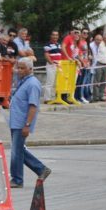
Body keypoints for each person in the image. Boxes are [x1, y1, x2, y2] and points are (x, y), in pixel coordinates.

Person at [7, 58, 52, 188]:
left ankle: (17, 179)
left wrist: (27, 125)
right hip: (15, 121)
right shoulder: (23, 81)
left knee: (16, 152)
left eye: (22, 68)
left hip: (22, 123)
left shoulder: (32, 84)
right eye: (18, 67)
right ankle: (41, 169)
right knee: (19, 150)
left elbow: (33, 106)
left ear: (30, 69)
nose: (19, 70)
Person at [43, 30, 64, 103]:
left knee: (56, 83)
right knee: (50, 82)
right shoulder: (47, 45)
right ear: (51, 36)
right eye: (53, 35)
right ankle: (47, 99)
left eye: (56, 35)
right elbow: (46, 55)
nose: (55, 36)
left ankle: (53, 98)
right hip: (51, 65)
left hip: (58, 65)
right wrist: (51, 63)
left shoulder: (59, 44)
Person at [90, 32, 106, 103]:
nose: (99, 41)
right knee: (96, 81)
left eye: (100, 40)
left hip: (105, 64)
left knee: (103, 82)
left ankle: (101, 96)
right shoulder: (92, 45)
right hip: (98, 64)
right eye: (97, 39)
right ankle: (95, 97)